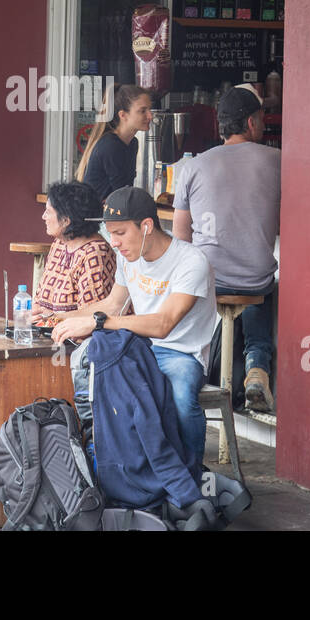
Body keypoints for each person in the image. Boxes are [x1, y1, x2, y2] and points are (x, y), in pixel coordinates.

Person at [53, 186, 217, 470]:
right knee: (98, 381)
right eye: (110, 233)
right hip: (142, 348)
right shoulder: (129, 257)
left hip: (182, 354)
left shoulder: (191, 261)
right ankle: (118, 470)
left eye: (120, 233)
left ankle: (193, 478)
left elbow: (164, 324)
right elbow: (113, 304)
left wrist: (99, 322)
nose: (113, 243)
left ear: (146, 226)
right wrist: (58, 317)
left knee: (181, 398)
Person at [172, 85, 280, 412]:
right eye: (261, 119)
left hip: (209, 282)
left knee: (225, 288)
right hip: (254, 281)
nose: (263, 125)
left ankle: (200, 372)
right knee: (262, 286)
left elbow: (180, 237)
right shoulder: (279, 161)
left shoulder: (192, 167)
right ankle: (257, 367)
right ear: (250, 123)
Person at [32, 181, 116, 317]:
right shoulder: (60, 243)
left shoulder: (95, 253)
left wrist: (52, 318)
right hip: (50, 331)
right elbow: (41, 299)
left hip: (78, 336)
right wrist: (35, 309)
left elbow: (91, 317)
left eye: (48, 212)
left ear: (66, 220)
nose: (43, 217)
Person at [74, 83, 153, 199]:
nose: (150, 116)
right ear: (123, 115)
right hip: (94, 215)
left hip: (110, 213)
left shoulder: (132, 143)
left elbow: (125, 191)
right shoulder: (111, 145)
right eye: (142, 111)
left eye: (149, 109)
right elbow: (121, 195)